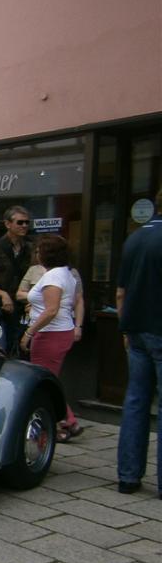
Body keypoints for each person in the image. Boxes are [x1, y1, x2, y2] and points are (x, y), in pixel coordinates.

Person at [115, 188, 162, 496]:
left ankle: (128, 477)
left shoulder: (135, 238)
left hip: (136, 329)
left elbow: (121, 292)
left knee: (135, 402)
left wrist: (124, 328)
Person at [18, 235, 82, 441]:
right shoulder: (67, 274)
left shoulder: (54, 276)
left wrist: (29, 332)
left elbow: (51, 309)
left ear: (46, 254)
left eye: (38, 251)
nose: (36, 254)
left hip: (50, 334)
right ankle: (68, 420)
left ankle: (55, 427)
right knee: (50, 379)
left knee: (42, 384)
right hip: (60, 331)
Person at [0, 205, 34, 354]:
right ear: (8, 224)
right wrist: (2, 294)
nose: (24, 225)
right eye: (20, 222)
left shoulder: (29, 248)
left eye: (26, 222)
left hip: (19, 308)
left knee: (16, 347)